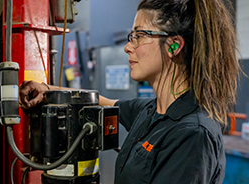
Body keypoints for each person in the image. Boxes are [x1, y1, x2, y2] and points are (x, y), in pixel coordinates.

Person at [19, 0, 241, 183]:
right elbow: (98, 100)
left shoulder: (192, 135)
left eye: (140, 35)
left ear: (174, 46)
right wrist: (47, 89)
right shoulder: (151, 111)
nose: (128, 46)